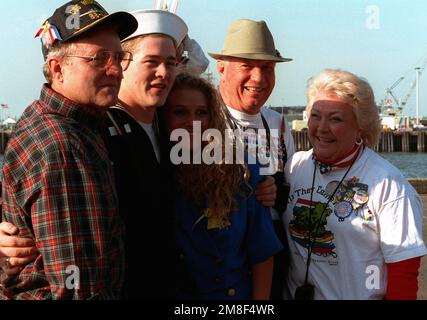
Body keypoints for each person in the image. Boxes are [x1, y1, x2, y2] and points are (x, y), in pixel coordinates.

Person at [0, 9, 278, 299]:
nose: (164, 73)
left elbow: (215, 163)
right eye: (152, 62)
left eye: (171, 64)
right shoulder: (92, 130)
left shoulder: (166, 123)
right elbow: (28, 189)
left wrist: (255, 180)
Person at [0, 0, 138, 299]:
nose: (115, 70)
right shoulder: (63, 145)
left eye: (118, 56)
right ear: (58, 68)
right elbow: (78, 285)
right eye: (99, 58)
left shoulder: (69, 124)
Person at [283, 69, 427, 300]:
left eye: (336, 119)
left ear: (360, 127)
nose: (322, 127)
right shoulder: (295, 167)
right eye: (316, 115)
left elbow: (404, 273)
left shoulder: (389, 185)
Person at [160, 73, 282, 299]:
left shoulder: (241, 171)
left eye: (201, 113)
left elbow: (262, 252)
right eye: (180, 112)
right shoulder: (154, 173)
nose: (193, 122)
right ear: (163, 116)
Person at [208, 18, 295, 299]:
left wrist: (277, 192)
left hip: (270, 253)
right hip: (218, 254)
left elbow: (292, 192)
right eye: (246, 66)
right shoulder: (202, 119)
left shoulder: (278, 123)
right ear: (221, 67)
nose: (258, 78)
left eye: (267, 68)